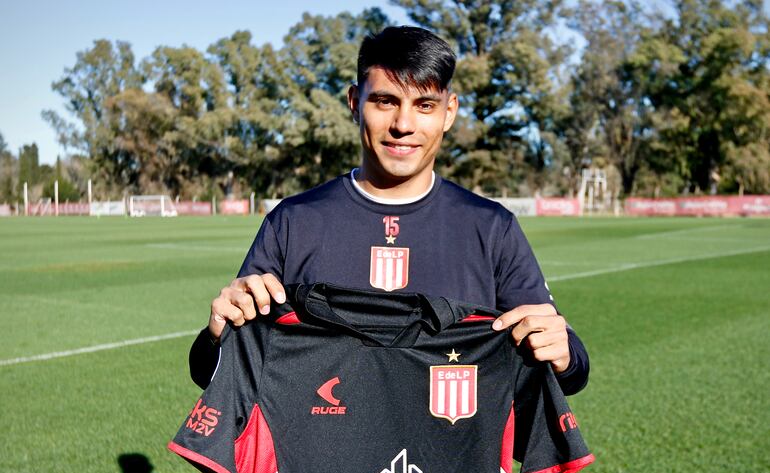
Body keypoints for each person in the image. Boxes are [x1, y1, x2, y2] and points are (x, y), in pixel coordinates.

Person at [189, 25, 588, 395]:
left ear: (449, 112)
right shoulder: (294, 221)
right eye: (385, 101)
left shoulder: (491, 227)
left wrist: (564, 351)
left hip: (451, 465)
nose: (403, 124)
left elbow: (569, 372)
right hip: (321, 466)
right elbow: (214, 373)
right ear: (354, 102)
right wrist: (216, 335)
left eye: (425, 106)